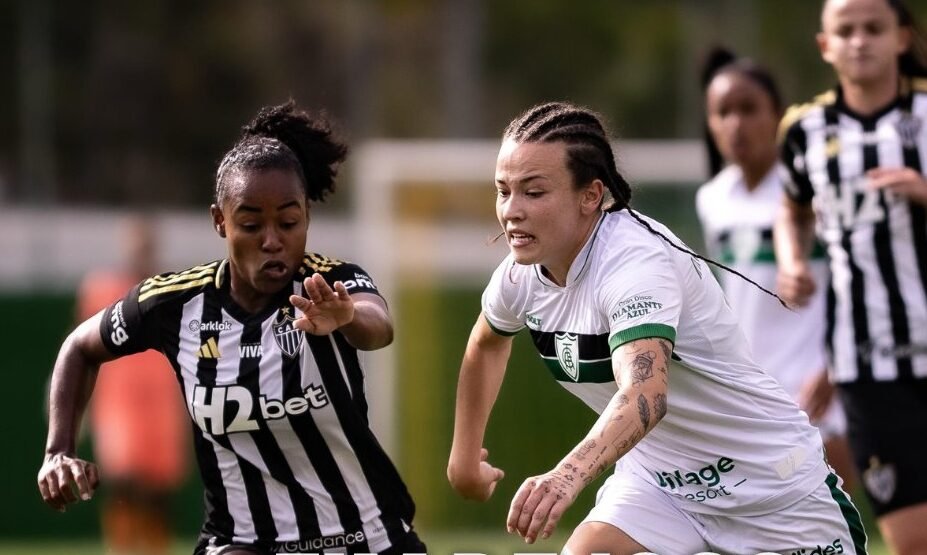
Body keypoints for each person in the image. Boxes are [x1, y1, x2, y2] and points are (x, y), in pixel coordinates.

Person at [446, 101, 868, 555]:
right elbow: (487, 342)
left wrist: (566, 477)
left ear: (591, 195)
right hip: (660, 488)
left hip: (769, 488)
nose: (512, 210)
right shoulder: (521, 275)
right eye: (503, 190)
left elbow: (645, 395)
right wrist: (464, 456)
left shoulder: (635, 261)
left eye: (534, 192)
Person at [37, 101, 425, 555]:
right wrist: (57, 451)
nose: (272, 240)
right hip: (242, 541)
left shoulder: (330, 282)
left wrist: (348, 318)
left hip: (364, 537)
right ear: (220, 221)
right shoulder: (175, 303)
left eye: (288, 221)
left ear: (307, 217)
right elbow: (80, 347)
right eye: (250, 223)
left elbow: (378, 325)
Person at [776, 0, 927, 552]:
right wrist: (793, 261)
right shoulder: (806, 128)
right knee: (913, 539)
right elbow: (791, 208)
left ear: (902, 38)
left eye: (873, 28)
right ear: (825, 45)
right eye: (846, 30)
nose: (860, 41)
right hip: (867, 363)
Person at [696, 48, 856, 491]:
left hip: (817, 384)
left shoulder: (813, 192)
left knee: (826, 509)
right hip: (752, 389)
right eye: (722, 112)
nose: (735, 124)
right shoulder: (712, 199)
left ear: (778, 115)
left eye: (748, 109)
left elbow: (852, 281)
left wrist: (835, 367)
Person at [76, 215, 189, 555]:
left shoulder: (174, 292)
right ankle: (121, 548)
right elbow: (80, 348)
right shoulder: (103, 290)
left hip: (161, 405)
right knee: (124, 481)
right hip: (119, 404)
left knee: (157, 492)